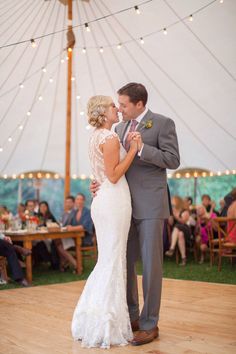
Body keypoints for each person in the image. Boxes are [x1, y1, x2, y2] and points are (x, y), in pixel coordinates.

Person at [90, 83, 180, 346]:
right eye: (117, 104)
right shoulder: (117, 129)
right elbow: (113, 167)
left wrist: (142, 149)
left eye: (124, 104)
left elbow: (173, 160)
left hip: (151, 205)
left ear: (140, 104)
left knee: (151, 265)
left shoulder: (162, 123)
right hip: (123, 207)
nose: (119, 108)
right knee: (124, 263)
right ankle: (132, 318)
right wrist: (99, 183)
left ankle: (150, 323)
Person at [71, 95, 140, 348]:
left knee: (108, 259)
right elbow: (112, 175)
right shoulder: (109, 138)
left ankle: (93, 318)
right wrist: (133, 149)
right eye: (113, 106)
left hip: (102, 200)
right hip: (113, 199)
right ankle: (106, 325)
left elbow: (101, 173)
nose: (117, 109)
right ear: (103, 111)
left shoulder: (94, 137)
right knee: (113, 260)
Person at [165, 196, 191, 266]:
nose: (172, 203)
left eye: (173, 201)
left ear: (177, 202)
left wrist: (175, 215)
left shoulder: (184, 211)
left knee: (177, 227)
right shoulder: (172, 210)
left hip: (186, 230)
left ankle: (172, 248)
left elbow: (183, 221)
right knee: (180, 234)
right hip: (178, 233)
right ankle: (183, 258)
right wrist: (170, 215)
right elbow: (170, 223)